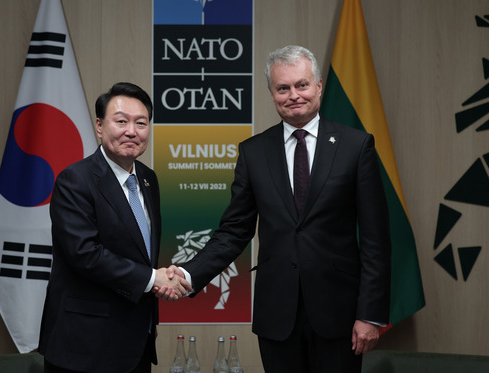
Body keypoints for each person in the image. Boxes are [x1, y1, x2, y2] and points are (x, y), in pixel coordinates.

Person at [162, 45, 391, 372]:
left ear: (319, 86)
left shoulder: (356, 146)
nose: (294, 95)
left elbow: (375, 239)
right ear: (271, 94)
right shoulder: (254, 152)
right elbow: (234, 232)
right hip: (277, 313)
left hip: (339, 313)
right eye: (283, 88)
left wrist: (370, 314)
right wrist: (187, 273)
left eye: (302, 85)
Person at [39, 82, 191, 373]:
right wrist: (153, 279)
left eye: (141, 123)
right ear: (99, 126)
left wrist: (150, 313)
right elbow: (86, 255)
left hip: (136, 342)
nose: (131, 131)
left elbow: (140, 251)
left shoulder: (148, 179)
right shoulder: (75, 180)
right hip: (85, 346)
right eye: (121, 121)